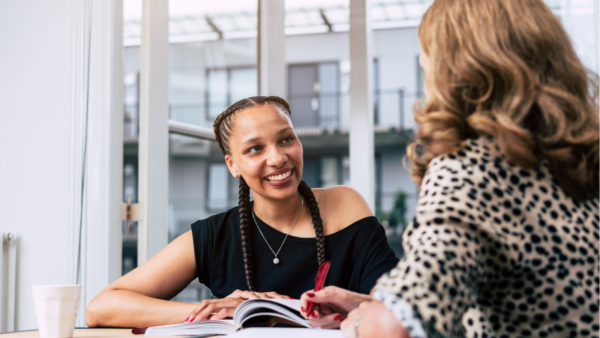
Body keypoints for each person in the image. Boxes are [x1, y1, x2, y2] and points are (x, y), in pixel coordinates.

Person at [299, 0, 599, 337]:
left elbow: (393, 327)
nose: (423, 72)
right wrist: (369, 305)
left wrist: (362, 323)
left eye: (426, 62)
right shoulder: (580, 161)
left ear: (458, 72)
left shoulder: (470, 170)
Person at [86, 96, 399, 328]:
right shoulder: (215, 235)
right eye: (255, 148)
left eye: (286, 139)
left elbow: (397, 311)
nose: (277, 158)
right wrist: (221, 313)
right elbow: (101, 308)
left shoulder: (345, 204)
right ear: (232, 165)